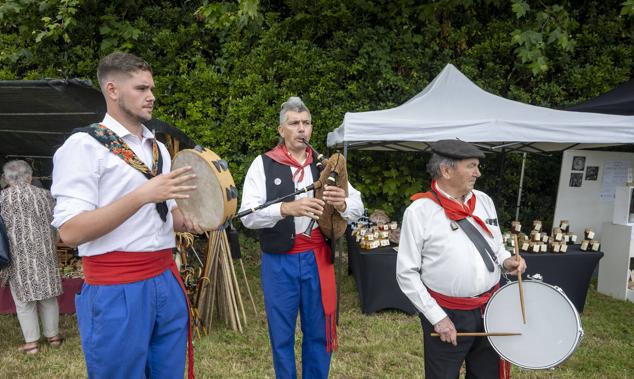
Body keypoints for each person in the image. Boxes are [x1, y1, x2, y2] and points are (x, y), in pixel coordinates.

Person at [51, 52, 204, 379]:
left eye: (151, 88)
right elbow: (71, 231)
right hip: (116, 287)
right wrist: (141, 196)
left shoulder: (158, 148)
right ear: (112, 89)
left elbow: (170, 216)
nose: (151, 96)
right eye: (141, 88)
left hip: (165, 278)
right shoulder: (83, 146)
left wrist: (196, 217)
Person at [239, 96, 364, 379]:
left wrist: (342, 202)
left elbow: (358, 207)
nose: (301, 129)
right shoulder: (263, 164)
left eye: (306, 123)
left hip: (317, 258)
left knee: (319, 333)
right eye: (294, 123)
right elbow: (247, 214)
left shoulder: (327, 166)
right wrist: (285, 209)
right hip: (279, 260)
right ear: (281, 130)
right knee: (281, 334)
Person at [396, 139, 527, 379]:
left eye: (477, 166)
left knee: (487, 374)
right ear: (446, 171)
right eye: (472, 166)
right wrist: (438, 318)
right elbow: (406, 273)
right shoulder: (420, 211)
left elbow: (496, 245)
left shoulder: (484, 201)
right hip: (448, 314)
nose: (478, 172)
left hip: (490, 308)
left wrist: (506, 261)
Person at [0, 160, 63, 355]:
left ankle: (32, 344)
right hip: (45, 253)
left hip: (18, 257)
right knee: (48, 297)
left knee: (24, 301)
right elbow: (57, 224)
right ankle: (53, 337)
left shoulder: (3, 198)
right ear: (29, 177)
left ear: (7, 179)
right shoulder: (46, 195)